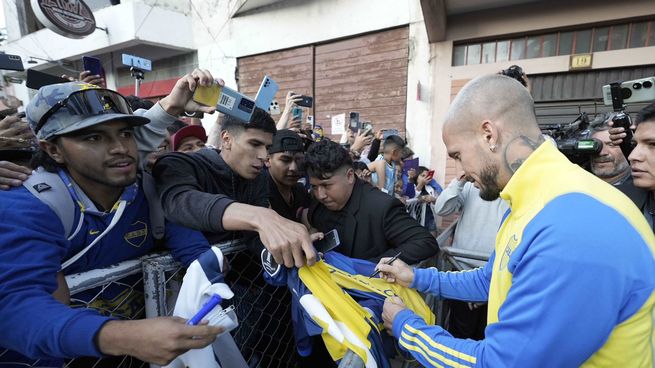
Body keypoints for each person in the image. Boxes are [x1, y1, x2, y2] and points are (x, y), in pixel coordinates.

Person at [377, 74, 655, 367]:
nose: (460, 169)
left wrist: (406, 327)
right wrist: (417, 277)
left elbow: (502, 363)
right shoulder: (533, 199)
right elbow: (493, 278)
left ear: (488, 134)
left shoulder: (573, 225)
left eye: (458, 155)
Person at [0, 71, 224, 366]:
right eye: (93, 137)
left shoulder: (146, 190)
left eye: (126, 133)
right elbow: (14, 307)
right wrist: (121, 336)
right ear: (52, 149)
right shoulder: (26, 204)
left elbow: (196, 253)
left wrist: (218, 284)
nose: (120, 147)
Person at [305, 139, 438, 265]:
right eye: (314, 187)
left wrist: (367, 266)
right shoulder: (318, 203)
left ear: (350, 176)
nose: (320, 195)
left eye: (327, 185)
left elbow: (425, 242)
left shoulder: (381, 206)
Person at [266, 129, 310, 222]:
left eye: (299, 160)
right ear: (267, 160)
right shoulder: (258, 192)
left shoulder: (300, 191)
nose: (293, 168)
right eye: (285, 160)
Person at [589, 113, 631, 185]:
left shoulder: (646, 187)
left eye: (611, 144)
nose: (602, 152)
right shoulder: (578, 184)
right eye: (596, 145)